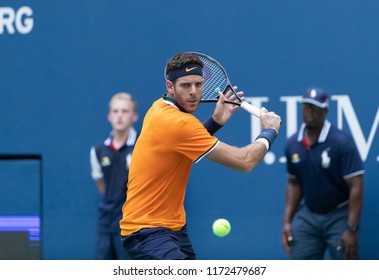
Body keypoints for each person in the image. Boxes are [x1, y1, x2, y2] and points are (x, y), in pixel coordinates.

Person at [119, 52, 281, 260]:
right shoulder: (178, 123)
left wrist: (215, 122)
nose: (194, 92)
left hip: (173, 228)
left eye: (198, 84)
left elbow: (180, 145)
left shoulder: (158, 106)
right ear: (170, 86)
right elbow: (245, 161)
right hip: (147, 231)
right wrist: (269, 132)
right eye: (186, 86)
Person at [281, 88, 364, 260]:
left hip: (339, 215)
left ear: (325, 111)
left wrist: (352, 228)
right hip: (309, 216)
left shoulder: (342, 143)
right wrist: (287, 221)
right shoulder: (292, 144)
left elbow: (356, 186)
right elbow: (294, 184)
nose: (309, 112)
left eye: (315, 108)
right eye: (306, 107)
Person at [90, 92, 138, 260]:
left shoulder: (142, 148)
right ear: (109, 116)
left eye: (125, 111)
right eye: (115, 111)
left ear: (134, 116)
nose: (119, 116)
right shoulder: (97, 151)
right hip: (106, 223)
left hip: (133, 226)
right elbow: (102, 185)